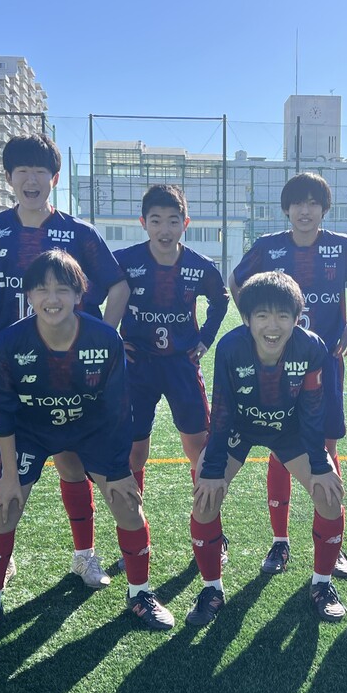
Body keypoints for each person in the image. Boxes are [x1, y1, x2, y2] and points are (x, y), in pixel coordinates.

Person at [0, 250, 173, 646]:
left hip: (91, 429)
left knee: (128, 505)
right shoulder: (10, 342)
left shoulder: (104, 338)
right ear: (28, 295)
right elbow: (1, 412)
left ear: (79, 294)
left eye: (62, 289)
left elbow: (116, 410)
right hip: (31, 430)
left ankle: (140, 594)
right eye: (42, 289)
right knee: (4, 508)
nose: (51, 298)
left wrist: (119, 471)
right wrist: (7, 474)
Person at [0, 133, 130, 588]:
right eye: (22, 171)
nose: (31, 180)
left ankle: (84, 555)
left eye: (40, 171)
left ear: (54, 178)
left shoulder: (79, 233)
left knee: (72, 463)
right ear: (9, 178)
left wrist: (100, 339)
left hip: (70, 373)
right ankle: (1, 557)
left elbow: (119, 286)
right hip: (12, 371)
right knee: (6, 465)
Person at [230, 172, 347, 578]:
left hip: (324, 360)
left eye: (313, 203)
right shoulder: (269, 246)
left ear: (324, 209)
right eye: (298, 203)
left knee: (326, 447)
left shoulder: (341, 246)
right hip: (276, 363)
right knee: (281, 447)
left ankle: (333, 544)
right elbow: (235, 281)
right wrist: (254, 326)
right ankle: (280, 541)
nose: (305, 210)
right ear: (287, 208)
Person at [186, 271, 347, 625]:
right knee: (205, 498)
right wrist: (211, 471)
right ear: (247, 318)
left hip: (289, 430)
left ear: (296, 318)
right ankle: (212, 589)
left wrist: (321, 465)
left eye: (283, 316)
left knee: (329, 495)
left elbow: (313, 411)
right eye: (262, 315)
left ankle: (322, 584)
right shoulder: (230, 347)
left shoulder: (312, 347)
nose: (272, 326)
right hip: (240, 429)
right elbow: (222, 413)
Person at [115, 184, 229, 496]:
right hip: (137, 365)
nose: (164, 230)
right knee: (134, 452)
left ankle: (205, 516)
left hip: (182, 364)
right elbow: (90, 293)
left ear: (185, 223)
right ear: (143, 223)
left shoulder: (200, 265)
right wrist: (111, 339)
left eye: (173, 221)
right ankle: (134, 515)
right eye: (156, 221)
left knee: (199, 447)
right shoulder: (124, 261)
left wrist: (205, 339)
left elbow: (220, 301)